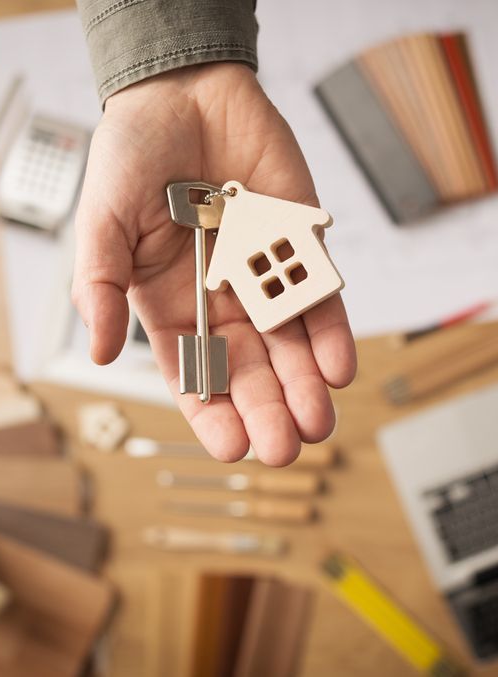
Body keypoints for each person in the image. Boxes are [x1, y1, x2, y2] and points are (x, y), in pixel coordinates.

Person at [73, 0, 356, 467]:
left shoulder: (245, 219)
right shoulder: (231, 229)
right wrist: (169, 68)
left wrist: (161, 65)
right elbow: (222, 274)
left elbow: (238, 264)